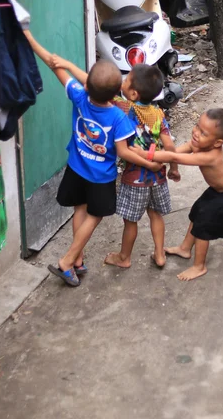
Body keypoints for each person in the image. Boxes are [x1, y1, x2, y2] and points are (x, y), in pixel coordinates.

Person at [23, 31, 162, 287]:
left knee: (80, 209)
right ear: (116, 92)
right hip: (101, 177)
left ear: (87, 85)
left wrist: (29, 37)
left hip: (76, 168)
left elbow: (53, 64)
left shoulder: (79, 96)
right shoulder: (120, 118)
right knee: (94, 216)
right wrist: (149, 162)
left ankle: (78, 260)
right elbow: (123, 152)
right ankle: (67, 261)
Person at [49, 58, 180, 269]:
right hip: (158, 176)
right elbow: (170, 147)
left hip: (135, 178)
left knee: (131, 221)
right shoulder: (158, 114)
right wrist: (173, 168)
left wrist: (70, 66)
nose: (122, 83)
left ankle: (124, 257)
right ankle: (159, 254)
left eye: (126, 81)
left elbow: (95, 88)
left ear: (133, 93)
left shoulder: (123, 107)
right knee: (156, 214)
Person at [131, 108, 223, 281]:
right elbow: (175, 152)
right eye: (197, 126)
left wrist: (146, 154)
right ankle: (185, 248)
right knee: (197, 212)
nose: (196, 133)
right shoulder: (199, 144)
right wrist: (159, 156)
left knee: (203, 227)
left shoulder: (211, 155)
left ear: (217, 142)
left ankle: (199, 266)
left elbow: (175, 158)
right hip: (218, 190)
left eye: (203, 133)